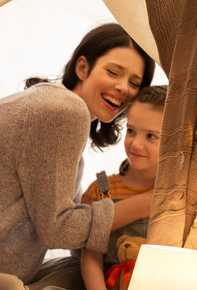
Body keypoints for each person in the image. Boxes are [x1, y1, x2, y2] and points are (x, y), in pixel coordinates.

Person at [0, 23, 156, 290]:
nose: (122, 88)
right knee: (13, 286)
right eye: (113, 72)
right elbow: (59, 229)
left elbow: (72, 227)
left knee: (78, 270)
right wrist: (148, 203)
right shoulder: (63, 111)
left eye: (134, 83)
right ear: (82, 68)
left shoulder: (58, 109)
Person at [80, 85, 167, 290]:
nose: (135, 144)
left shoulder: (178, 193)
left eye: (151, 136)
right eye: (131, 131)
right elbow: (91, 257)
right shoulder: (101, 190)